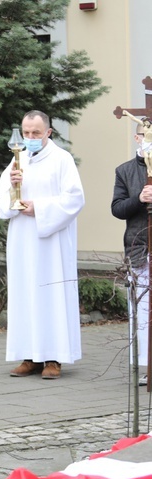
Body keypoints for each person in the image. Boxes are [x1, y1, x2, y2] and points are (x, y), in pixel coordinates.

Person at [0, 110, 85, 380]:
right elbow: (1, 205)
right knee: (25, 296)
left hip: (51, 243)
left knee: (51, 296)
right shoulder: (17, 160)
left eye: (36, 132)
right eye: (26, 132)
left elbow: (75, 199)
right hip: (23, 241)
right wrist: (13, 191)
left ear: (48, 132)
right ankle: (29, 356)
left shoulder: (62, 160)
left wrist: (40, 208)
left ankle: (53, 358)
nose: (30, 137)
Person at [111, 122, 152, 386]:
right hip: (139, 247)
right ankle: (145, 366)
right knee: (144, 309)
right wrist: (139, 197)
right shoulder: (125, 170)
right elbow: (117, 208)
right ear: (137, 138)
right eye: (147, 136)